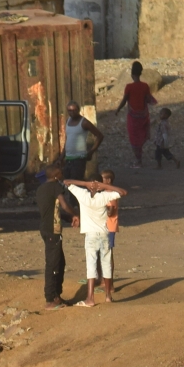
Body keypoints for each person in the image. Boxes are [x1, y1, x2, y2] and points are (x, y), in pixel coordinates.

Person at [65, 175, 121, 306]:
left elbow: (67, 181)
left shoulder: (82, 194)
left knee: (91, 265)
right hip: (104, 234)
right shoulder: (104, 196)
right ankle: (108, 296)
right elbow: (123, 192)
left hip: (90, 235)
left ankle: (90, 298)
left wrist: (85, 184)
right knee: (106, 263)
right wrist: (105, 186)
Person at [35, 170, 78, 310]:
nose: (62, 175)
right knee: (53, 263)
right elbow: (64, 205)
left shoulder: (41, 189)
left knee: (59, 261)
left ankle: (56, 296)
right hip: (52, 231)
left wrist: (67, 218)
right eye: (60, 173)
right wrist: (75, 215)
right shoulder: (55, 187)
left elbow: (53, 211)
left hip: (46, 228)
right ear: (54, 176)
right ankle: (50, 299)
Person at [116, 61, 155, 167]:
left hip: (133, 117)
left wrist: (118, 109)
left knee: (133, 137)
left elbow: (124, 100)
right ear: (141, 73)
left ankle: (138, 159)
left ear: (131, 74)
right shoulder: (145, 86)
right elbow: (148, 99)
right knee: (141, 135)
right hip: (143, 115)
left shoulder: (129, 87)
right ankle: (139, 156)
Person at [62, 103, 100, 180]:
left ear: (78, 110)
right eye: (69, 110)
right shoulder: (68, 121)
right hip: (68, 158)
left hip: (79, 158)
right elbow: (67, 140)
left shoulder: (84, 122)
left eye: (74, 110)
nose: (72, 112)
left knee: (76, 183)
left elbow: (100, 136)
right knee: (66, 182)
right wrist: (61, 157)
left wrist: (91, 152)